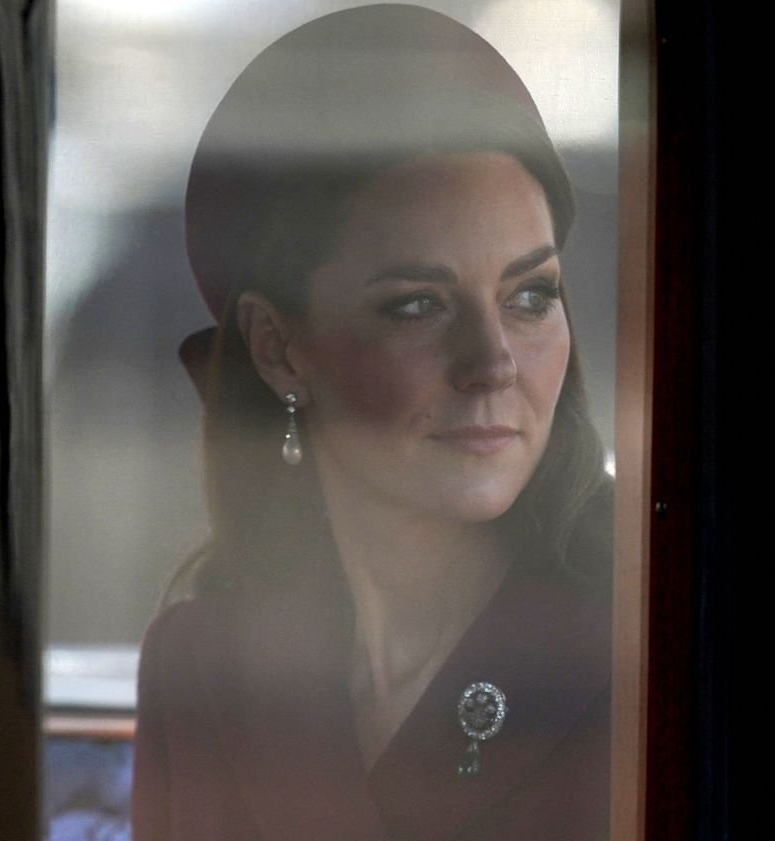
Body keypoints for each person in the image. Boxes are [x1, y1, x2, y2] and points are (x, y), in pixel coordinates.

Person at [130, 6, 613, 840]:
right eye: (418, 305)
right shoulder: (202, 664)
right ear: (279, 349)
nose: (493, 362)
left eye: (531, 295)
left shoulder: (651, 634)